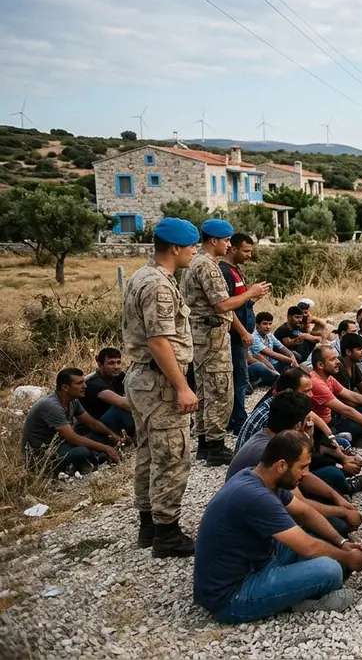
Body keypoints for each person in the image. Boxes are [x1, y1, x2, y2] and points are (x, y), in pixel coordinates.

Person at [193, 430, 362, 623]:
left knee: (322, 541)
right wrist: (347, 557)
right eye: (302, 467)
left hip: (257, 563)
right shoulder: (257, 497)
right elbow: (308, 547)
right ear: (281, 465)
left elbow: (304, 512)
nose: (305, 474)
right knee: (331, 570)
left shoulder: (259, 477)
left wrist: (342, 543)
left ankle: (293, 591)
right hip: (231, 597)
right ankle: (297, 604)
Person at [122, 216, 202, 557]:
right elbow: (159, 341)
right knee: (172, 456)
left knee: (147, 452)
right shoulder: (158, 285)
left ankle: (149, 527)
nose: (194, 252)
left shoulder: (143, 275)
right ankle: (167, 534)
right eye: (191, 246)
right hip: (160, 382)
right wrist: (183, 387)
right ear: (175, 248)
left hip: (142, 378)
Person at [183, 219, 270, 467]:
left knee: (203, 389)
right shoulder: (208, 266)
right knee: (219, 391)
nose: (228, 245)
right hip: (212, 338)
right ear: (214, 241)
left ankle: (204, 443)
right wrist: (250, 294)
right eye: (225, 241)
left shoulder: (193, 263)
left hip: (201, 337)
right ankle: (216, 446)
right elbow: (221, 304)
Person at [226, 391, 362, 527]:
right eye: (308, 419)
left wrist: (339, 500)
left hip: (266, 500)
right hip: (250, 518)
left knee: (330, 488)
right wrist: (342, 511)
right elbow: (299, 504)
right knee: (338, 525)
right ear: (298, 425)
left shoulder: (275, 437)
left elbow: (305, 474)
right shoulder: (276, 452)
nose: (311, 422)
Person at [22, 368, 122, 475]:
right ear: (65, 387)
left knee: (101, 436)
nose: (85, 386)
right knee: (82, 452)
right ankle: (85, 464)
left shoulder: (73, 401)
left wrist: (113, 435)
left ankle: (97, 457)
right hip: (44, 455)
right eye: (79, 383)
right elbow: (72, 438)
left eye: (84, 382)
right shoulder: (52, 406)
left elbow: (93, 424)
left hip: (62, 445)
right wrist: (105, 448)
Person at [310, 345, 362, 448]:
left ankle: (360, 435)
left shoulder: (328, 377)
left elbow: (352, 396)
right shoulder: (316, 382)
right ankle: (346, 438)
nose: (338, 362)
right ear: (320, 365)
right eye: (332, 359)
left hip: (333, 419)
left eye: (337, 358)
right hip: (322, 428)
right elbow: (345, 410)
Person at [220, 233, 258, 436]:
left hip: (241, 337)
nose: (249, 255)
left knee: (242, 378)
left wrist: (254, 298)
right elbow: (227, 307)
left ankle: (237, 417)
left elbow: (240, 302)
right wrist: (243, 331)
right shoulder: (224, 272)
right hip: (235, 338)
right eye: (246, 251)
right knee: (239, 378)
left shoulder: (236, 270)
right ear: (233, 249)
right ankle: (238, 422)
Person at [82, 348, 136, 443]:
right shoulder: (93, 382)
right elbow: (123, 404)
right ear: (100, 365)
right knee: (120, 408)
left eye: (118, 362)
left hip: (110, 423)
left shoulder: (118, 376)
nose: (116, 367)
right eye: (111, 363)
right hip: (92, 428)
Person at [250, 312, 298, 379]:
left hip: (273, 364)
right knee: (261, 367)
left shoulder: (269, 335)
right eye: (265, 324)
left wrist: (292, 356)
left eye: (270, 324)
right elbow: (272, 354)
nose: (268, 327)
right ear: (257, 325)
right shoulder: (254, 338)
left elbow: (281, 347)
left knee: (294, 355)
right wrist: (291, 361)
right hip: (264, 366)